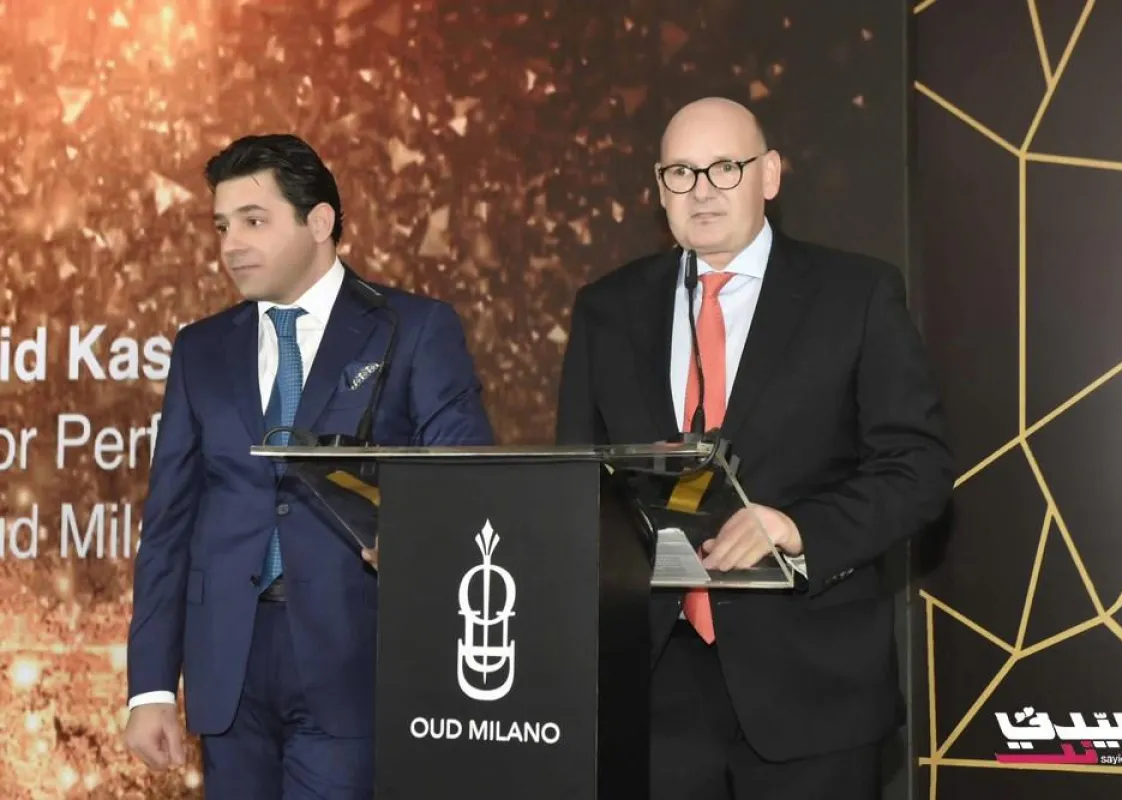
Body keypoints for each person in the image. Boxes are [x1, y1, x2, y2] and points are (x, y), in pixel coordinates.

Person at [555, 97, 954, 799]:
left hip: (813, 690)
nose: (701, 190)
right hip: (651, 688)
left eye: (724, 168)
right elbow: (577, 484)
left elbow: (918, 469)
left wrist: (799, 529)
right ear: (659, 190)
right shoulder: (606, 309)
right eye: (681, 173)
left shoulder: (856, 293)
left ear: (769, 175)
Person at [123, 133, 494, 798]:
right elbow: (169, 523)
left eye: (253, 221)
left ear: (319, 222)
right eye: (222, 226)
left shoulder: (413, 329)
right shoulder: (200, 349)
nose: (231, 244)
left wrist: (412, 535)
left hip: (354, 658)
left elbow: (468, 485)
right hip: (227, 664)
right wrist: (150, 687)